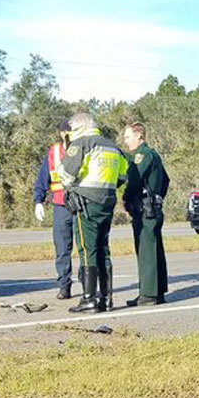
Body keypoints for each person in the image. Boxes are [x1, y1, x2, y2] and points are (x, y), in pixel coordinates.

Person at [55, 112, 129, 313]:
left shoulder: (82, 143)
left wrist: (75, 186)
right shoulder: (113, 147)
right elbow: (123, 175)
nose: (70, 134)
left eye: (72, 130)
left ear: (80, 128)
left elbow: (65, 174)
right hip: (107, 201)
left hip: (86, 202)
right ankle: (106, 298)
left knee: (87, 250)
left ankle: (89, 299)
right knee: (103, 248)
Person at [122, 122, 170, 306]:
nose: (126, 141)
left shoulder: (141, 155)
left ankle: (148, 294)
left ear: (138, 136)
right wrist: (157, 197)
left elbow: (134, 180)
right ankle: (157, 292)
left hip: (144, 209)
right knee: (155, 249)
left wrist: (126, 198)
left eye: (128, 137)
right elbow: (165, 180)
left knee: (146, 251)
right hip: (153, 207)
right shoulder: (154, 154)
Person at [32, 120, 75, 299]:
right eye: (67, 131)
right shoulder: (54, 152)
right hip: (61, 205)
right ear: (61, 133)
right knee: (62, 248)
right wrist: (38, 201)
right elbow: (43, 178)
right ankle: (64, 285)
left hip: (81, 204)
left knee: (85, 248)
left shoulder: (84, 149)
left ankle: (89, 286)